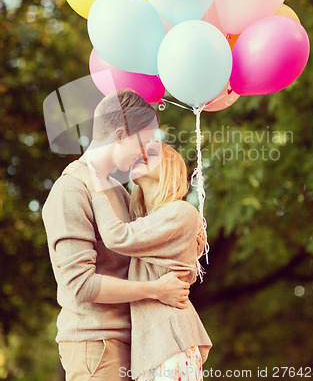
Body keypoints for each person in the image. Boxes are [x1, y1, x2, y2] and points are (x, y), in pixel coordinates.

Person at [42, 89, 205, 381]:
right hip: (97, 344)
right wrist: (155, 290)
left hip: (136, 345)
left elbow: (146, 247)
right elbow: (81, 285)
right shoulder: (71, 189)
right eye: (142, 143)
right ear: (120, 135)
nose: (143, 153)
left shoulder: (118, 193)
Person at [76, 141, 212, 380]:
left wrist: (95, 185)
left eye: (151, 152)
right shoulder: (151, 221)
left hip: (171, 343)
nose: (140, 155)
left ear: (170, 167)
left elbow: (117, 237)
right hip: (153, 348)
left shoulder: (181, 212)